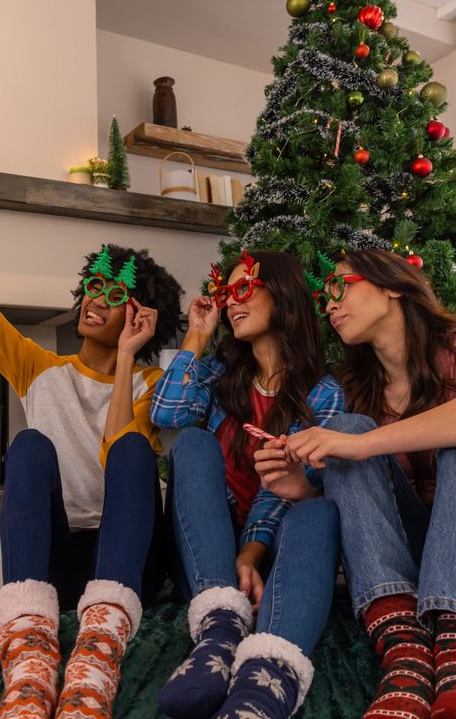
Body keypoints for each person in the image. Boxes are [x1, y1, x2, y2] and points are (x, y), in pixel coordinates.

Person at [0, 111, 183, 719]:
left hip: (125, 566)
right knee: (28, 446)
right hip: (57, 560)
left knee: (131, 450)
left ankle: (101, 648)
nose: (97, 299)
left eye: (116, 295)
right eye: (93, 286)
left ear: (142, 318)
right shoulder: (38, 368)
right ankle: (28, 648)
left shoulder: (156, 381)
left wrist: (127, 361)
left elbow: (116, 448)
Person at [256, 249, 456, 719]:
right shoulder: (353, 386)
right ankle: (403, 647)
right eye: (323, 298)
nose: (328, 305)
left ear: (391, 284)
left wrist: (368, 445)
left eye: (339, 286)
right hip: (427, 569)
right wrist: (302, 489)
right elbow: (369, 514)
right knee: (347, 429)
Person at [151, 250, 344, 719]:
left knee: (317, 509)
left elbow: (284, 485)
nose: (231, 303)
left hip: (272, 557)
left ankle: (262, 678)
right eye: (225, 293)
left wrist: (253, 548)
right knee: (193, 444)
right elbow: (166, 412)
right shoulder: (219, 378)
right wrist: (197, 334)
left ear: (281, 295)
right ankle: (220, 629)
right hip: (204, 556)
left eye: (242, 290)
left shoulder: (325, 393)